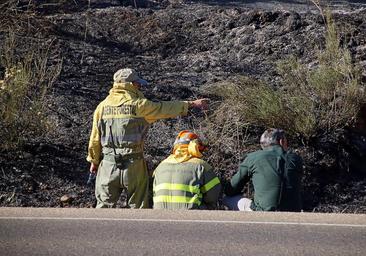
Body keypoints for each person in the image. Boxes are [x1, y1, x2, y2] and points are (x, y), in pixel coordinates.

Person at [87, 68, 209, 208]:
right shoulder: (139, 105)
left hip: (108, 165)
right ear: (131, 85)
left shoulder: (101, 108)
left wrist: (94, 161)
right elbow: (164, 108)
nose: (139, 86)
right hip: (134, 165)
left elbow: (94, 139)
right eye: (138, 84)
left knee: (102, 210)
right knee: (138, 209)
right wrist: (191, 104)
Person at [224, 128, 303, 212]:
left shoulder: (253, 157)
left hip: (263, 211)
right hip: (292, 211)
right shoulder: (296, 159)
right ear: (281, 141)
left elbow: (230, 190)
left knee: (227, 199)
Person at [153, 130, 221, 210]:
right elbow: (212, 197)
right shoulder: (201, 166)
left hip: (160, 214)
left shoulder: (160, 166)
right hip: (190, 216)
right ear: (194, 146)